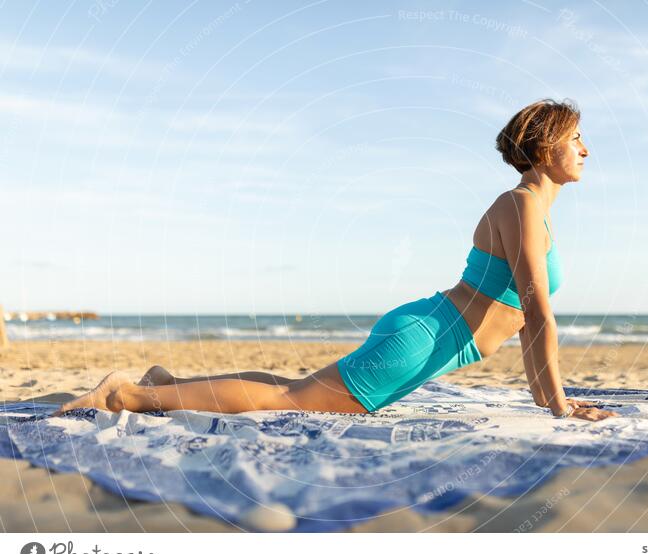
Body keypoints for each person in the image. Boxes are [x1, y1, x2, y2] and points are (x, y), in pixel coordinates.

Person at [54, 98, 618, 422]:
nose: (586, 149)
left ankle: (167, 382)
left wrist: (552, 399)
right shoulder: (521, 205)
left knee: (297, 389)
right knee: (293, 402)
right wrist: (560, 406)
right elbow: (538, 314)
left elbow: (523, 319)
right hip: (425, 338)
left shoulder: (533, 210)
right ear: (546, 146)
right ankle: (127, 395)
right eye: (576, 139)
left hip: (428, 335)